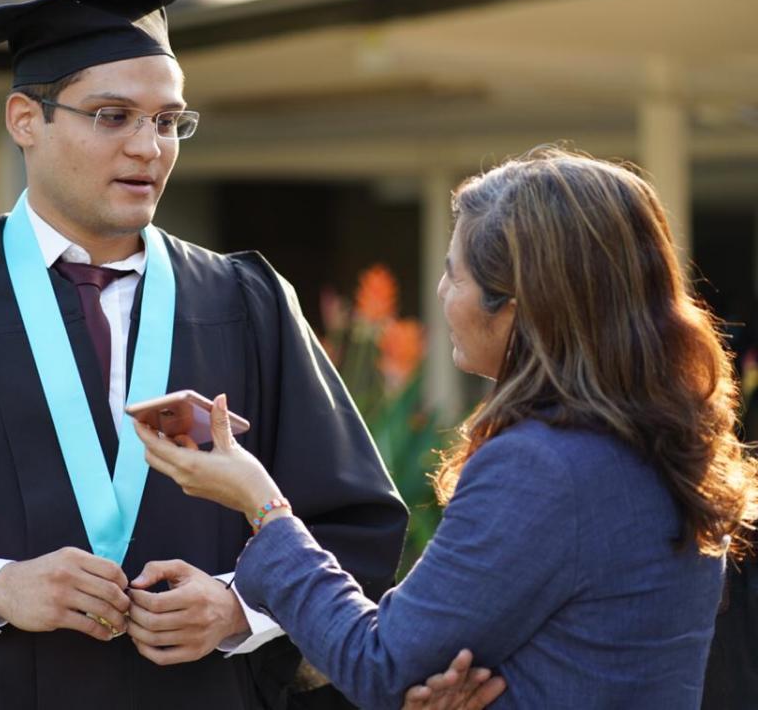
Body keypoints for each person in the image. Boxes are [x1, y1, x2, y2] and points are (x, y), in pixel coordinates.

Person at [0, 0, 459, 708]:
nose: (148, 148)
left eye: (167, 121)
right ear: (25, 120)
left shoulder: (245, 303)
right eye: (112, 116)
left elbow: (353, 529)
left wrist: (239, 608)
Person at [138, 146, 758, 709]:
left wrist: (262, 504)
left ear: (516, 304)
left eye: (454, 274)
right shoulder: (661, 441)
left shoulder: (542, 465)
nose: (439, 292)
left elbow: (379, 664)